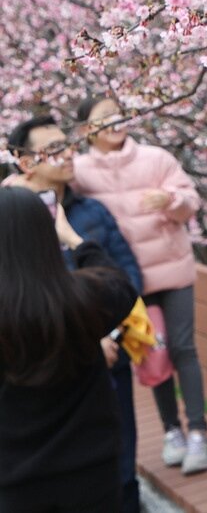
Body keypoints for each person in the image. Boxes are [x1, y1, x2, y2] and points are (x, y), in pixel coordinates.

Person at [9, 114, 147, 513]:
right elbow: (118, 287)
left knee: (124, 465)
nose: (66, 155)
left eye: (66, 145)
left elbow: (129, 275)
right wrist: (88, 329)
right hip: (81, 451)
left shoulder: (94, 210)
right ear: (24, 161)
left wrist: (111, 336)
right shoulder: (15, 210)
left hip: (107, 359)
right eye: (52, 150)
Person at [72, 95, 207, 475]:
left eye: (119, 114)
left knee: (183, 348)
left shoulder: (155, 158)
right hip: (129, 282)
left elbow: (190, 202)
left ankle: (199, 431)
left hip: (174, 271)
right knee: (152, 353)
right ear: (87, 130)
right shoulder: (79, 172)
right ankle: (172, 430)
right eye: (104, 118)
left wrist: (169, 200)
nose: (116, 122)